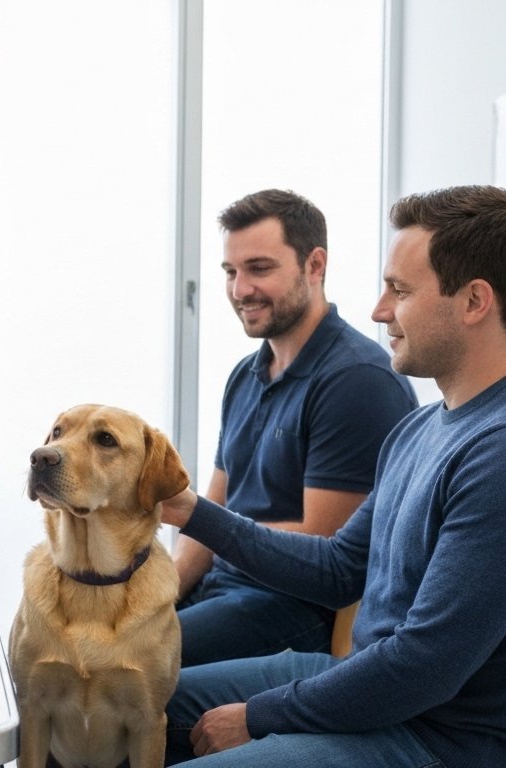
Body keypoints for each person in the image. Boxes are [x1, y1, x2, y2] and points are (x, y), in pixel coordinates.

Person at [156, 185, 506, 767]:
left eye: (401, 290)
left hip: (436, 741)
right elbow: (340, 568)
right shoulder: (422, 428)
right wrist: (191, 511)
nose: (379, 310)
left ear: (474, 301)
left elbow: (424, 667)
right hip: (377, 693)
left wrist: (260, 716)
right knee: (118, 702)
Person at [173, 189, 416, 666]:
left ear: (314, 265)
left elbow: (322, 553)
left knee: (106, 670)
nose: (240, 290)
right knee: (77, 644)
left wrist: (206, 524)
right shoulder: (245, 376)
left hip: (291, 609)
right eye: (230, 272)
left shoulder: (358, 380)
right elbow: (210, 513)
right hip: (222, 590)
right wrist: (159, 595)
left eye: (259, 269)